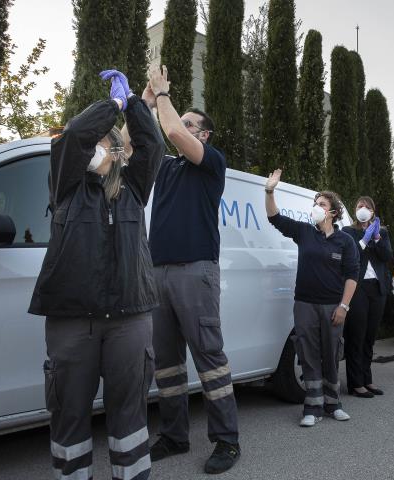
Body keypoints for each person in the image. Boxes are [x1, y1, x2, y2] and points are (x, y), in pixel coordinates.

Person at [29, 70, 164, 480]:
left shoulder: (134, 187)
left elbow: (154, 143)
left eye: (110, 142)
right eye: (99, 141)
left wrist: (138, 105)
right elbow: (73, 135)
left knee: (129, 418)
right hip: (73, 320)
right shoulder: (67, 183)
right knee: (70, 416)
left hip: (129, 318)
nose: (101, 147)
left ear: (121, 152)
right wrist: (114, 106)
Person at [146, 65, 240, 474]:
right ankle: (174, 435)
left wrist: (164, 96)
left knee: (210, 360)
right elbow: (138, 142)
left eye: (189, 123)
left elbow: (172, 132)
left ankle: (227, 441)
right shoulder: (166, 167)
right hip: (158, 274)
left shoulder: (211, 163)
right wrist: (145, 101)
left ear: (202, 135)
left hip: (195, 272)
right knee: (166, 363)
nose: (178, 125)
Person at [265, 169, 359, 427]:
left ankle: (333, 404)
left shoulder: (345, 242)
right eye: (315, 204)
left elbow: (352, 276)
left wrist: (344, 306)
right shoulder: (305, 232)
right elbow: (274, 218)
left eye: (321, 205)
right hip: (305, 304)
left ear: (333, 213)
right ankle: (312, 407)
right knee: (307, 353)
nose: (316, 208)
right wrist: (270, 191)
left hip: (333, 306)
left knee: (331, 353)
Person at [342, 197, 393, 398]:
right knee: (357, 335)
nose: (363, 209)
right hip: (358, 287)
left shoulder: (382, 232)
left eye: (367, 207)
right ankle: (355, 384)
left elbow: (387, 256)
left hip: (377, 288)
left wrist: (377, 238)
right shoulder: (348, 232)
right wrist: (364, 239)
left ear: (373, 211)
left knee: (370, 337)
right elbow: (352, 255)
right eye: (359, 206)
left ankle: (367, 379)